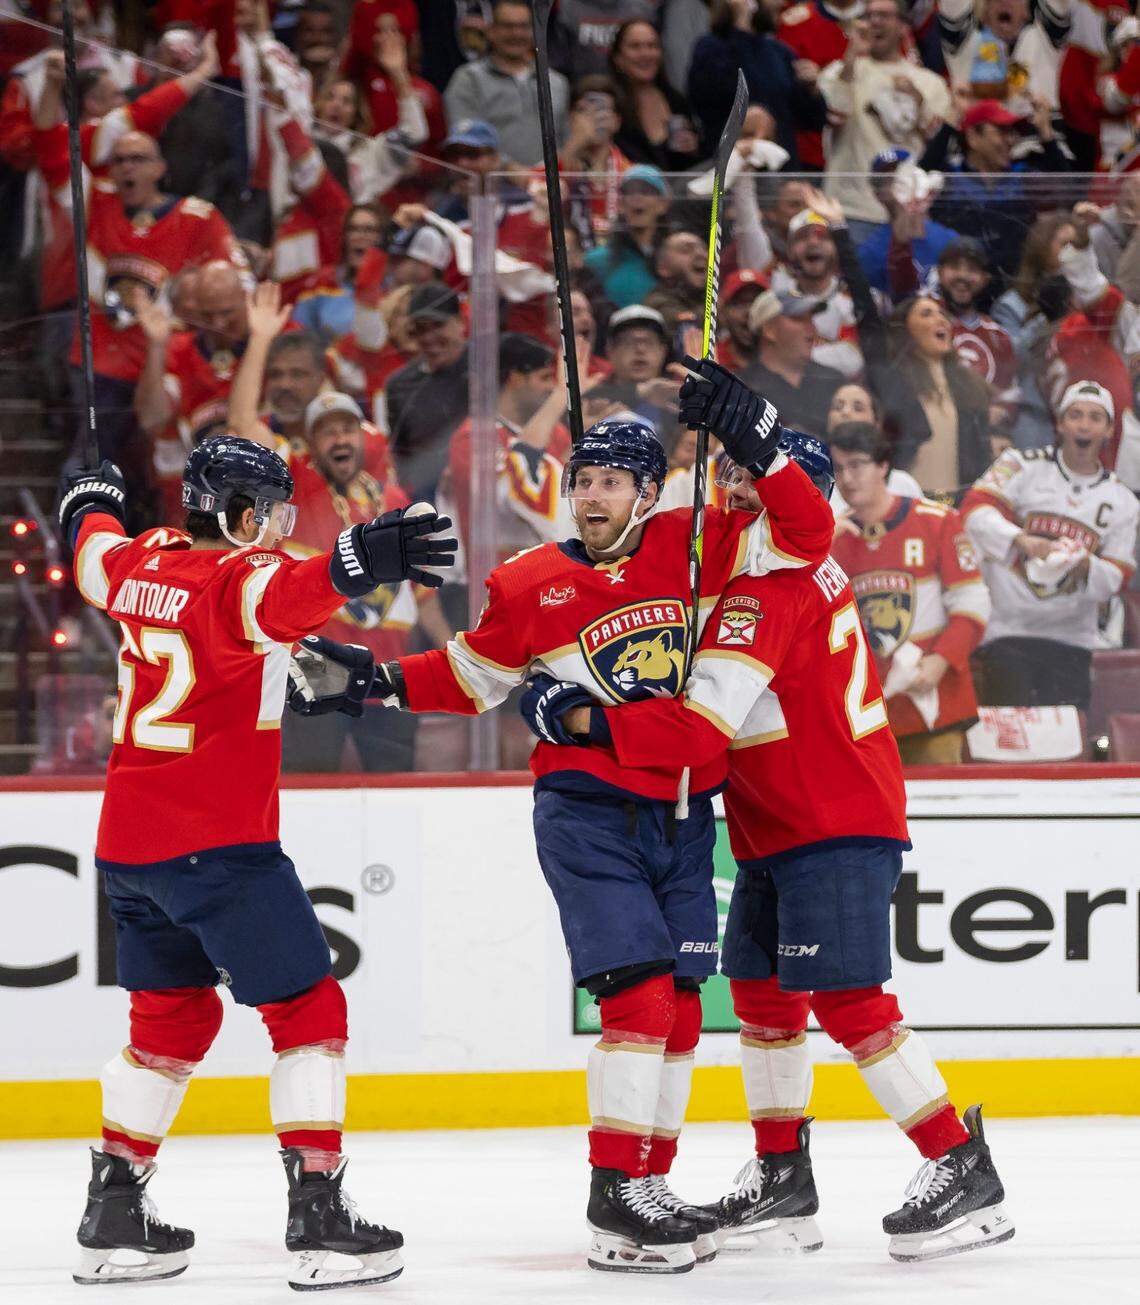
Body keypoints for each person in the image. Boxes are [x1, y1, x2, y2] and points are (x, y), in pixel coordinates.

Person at [288, 404, 835, 1273]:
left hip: (687, 810)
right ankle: (614, 1193)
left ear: (649, 491)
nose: (589, 496)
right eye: (581, 480)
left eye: (610, 481)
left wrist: (762, 436)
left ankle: (649, 1184)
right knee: (641, 1001)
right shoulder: (528, 580)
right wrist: (377, 681)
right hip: (586, 810)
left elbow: (808, 531)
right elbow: (472, 674)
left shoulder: (701, 541)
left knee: (685, 1010)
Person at [524, 359, 1014, 1264]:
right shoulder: (755, 580)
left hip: (830, 821)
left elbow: (695, 723)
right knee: (759, 997)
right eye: (734, 479)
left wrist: (576, 712)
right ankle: (783, 1174)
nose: (738, 494)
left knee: (849, 999)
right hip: (775, 830)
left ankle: (960, 1162)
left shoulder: (780, 582)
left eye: (755, 481)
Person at [57, 432, 456, 1288]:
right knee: (309, 1009)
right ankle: (318, 1212)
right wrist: (363, 556)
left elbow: (91, 547)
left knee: (170, 1023)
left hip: (130, 847)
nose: (279, 528)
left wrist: (89, 495)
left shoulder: (139, 562)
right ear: (239, 516)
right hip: (221, 845)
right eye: (271, 514)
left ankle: (114, 1210)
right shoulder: (242, 580)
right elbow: (300, 588)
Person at [962, 380, 1139, 712]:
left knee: (1064, 744)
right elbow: (972, 513)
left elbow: (1116, 578)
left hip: (1070, 640)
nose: (1084, 425)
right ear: (1059, 422)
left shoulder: (1124, 501)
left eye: (1094, 417)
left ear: (1109, 430)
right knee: (1009, 747)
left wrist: (1085, 562)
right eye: (1075, 415)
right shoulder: (1019, 464)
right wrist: (1020, 539)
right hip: (1006, 632)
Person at [830, 424, 991, 765]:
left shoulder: (937, 522)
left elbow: (973, 606)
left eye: (857, 465)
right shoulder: (832, 540)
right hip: (864, 720)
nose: (847, 478)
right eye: (838, 468)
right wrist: (819, 554)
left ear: (883, 466)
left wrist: (940, 659)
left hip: (934, 707)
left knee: (942, 814)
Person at [818, 0, 952, 239]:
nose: (875, 22)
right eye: (869, 16)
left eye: (884, 15)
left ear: (903, 26)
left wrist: (918, 101)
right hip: (850, 208)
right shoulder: (838, 72)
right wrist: (850, 60)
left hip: (907, 211)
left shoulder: (929, 83)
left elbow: (938, 142)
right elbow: (833, 116)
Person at [687, 0, 828, 167]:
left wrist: (811, 90)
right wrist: (740, 26)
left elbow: (813, 121)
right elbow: (727, 91)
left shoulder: (779, 52)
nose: (780, 3)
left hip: (778, 170)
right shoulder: (710, 47)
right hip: (729, 169)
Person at [889, 295, 993, 496]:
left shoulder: (970, 385)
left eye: (943, 314)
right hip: (906, 506)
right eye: (926, 314)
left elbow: (980, 454)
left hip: (956, 505)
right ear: (904, 329)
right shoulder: (893, 382)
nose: (941, 320)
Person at [443, 0, 569, 167]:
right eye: (507, 26)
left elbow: (563, 141)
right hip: (490, 186)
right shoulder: (468, 79)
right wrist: (512, 170)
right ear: (491, 31)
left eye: (524, 26)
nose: (516, 34)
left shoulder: (556, 82)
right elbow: (465, 142)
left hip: (546, 188)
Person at [384, 282, 471, 501]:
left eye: (437, 325)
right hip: (429, 498)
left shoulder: (490, 367)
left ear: (460, 323)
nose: (428, 337)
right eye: (420, 329)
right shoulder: (400, 385)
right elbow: (401, 457)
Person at [742, 288, 843, 438]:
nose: (812, 328)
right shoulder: (745, 390)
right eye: (799, 319)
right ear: (769, 330)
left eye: (811, 319)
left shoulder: (834, 380)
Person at [607, 19, 703, 172]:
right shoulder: (610, 104)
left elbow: (692, 165)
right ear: (617, 57)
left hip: (677, 192)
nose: (646, 54)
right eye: (635, 46)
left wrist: (692, 149)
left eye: (652, 46)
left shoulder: (676, 101)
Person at [582, 164, 672, 308]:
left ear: (663, 204)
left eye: (646, 191)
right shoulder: (598, 261)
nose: (637, 197)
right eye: (629, 192)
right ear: (621, 205)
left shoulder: (674, 258)